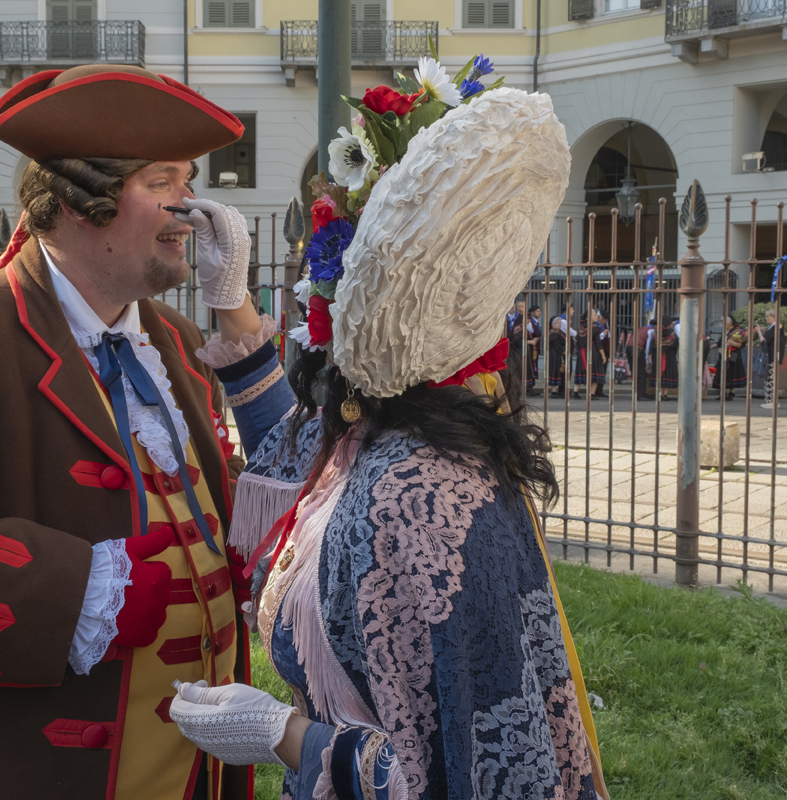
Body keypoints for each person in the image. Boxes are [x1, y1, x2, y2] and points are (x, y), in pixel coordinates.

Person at [0, 65, 296, 799]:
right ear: (80, 198)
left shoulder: (181, 343)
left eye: (188, 180)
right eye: (162, 181)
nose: (190, 207)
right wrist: (79, 593)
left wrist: (236, 312)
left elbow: (268, 484)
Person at [165, 85, 608, 800]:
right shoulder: (381, 432)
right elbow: (297, 464)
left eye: (326, 274)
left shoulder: (413, 494)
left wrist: (284, 735)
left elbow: (450, 780)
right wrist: (230, 300)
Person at [755, 307, 785, 410]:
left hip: (772, 357)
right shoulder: (774, 328)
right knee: (769, 379)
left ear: (774, 317)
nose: (766, 318)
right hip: (773, 357)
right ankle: (771, 401)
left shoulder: (776, 327)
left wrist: (759, 332)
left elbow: (765, 342)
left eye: (768, 316)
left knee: (770, 379)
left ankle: (772, 401)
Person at [719, 316, 747, 401]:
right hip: (723, 355)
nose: (722, 324)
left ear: (730, 323)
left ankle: (731, 393)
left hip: (734, 356)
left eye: (724, 322)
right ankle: (723, 394)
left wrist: (732, 343)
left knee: (733, 374)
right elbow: (719, 343)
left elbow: (742, 344)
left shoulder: (740, 331)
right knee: (723, 374)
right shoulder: (724, 331)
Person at [633, 317, 655, 401]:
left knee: (637, 373)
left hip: (631, 348)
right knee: (642, 373)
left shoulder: (642, 328)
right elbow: (649, 346)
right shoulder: (651, 331)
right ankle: (641, 395)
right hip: (637, 350)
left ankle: (638, 394)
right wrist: (648, 360)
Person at [549, 315, 570, 399]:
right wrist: (564, 352)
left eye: (560, 322)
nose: (560, 324)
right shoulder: (553, 334)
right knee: (555, 371)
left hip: (559, 355)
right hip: (555, 355)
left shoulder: (560, 333)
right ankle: (553, 391)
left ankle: (559, 391)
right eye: (558, 322)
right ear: (553, 324)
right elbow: (557, 345)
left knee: (560, 371)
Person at [525, 303, 544, 395]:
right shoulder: (530, 322)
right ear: (532, 312)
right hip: (530, 349)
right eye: (537, 311)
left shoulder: (536, 322)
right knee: (531, 367)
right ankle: (528, 388)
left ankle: (531, 387)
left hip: (535, 348)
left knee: (534, 367)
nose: (539, 313)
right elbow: (530, 333)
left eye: (540, 311)